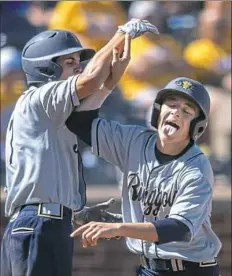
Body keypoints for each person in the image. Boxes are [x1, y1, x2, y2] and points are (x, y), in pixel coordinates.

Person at [1, 19, 159, 276]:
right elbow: (90, 81)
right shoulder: (40, 98)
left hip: (40, 222)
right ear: (45, 68)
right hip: (40, 223)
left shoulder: (49, 111)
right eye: (69, 63)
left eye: (79, 62)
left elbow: (95, 92)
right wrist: (121, 33)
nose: (78, 68)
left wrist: (76, 212)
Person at [67, 77, 222, 276]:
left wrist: (119, 228)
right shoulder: (133, 141)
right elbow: (80, 123)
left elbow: (178, 228)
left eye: (186, 111)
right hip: (148, 269)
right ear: (158, 111)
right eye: (172, 104)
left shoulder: (197, 167)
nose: (176, 112)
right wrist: (108, 83)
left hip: (190, 269)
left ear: (197, 125)